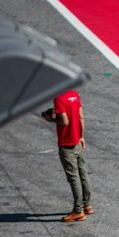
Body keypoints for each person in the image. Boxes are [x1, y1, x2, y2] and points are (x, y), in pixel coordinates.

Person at [41, 88, 92, 222]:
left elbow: (64, 121)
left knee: (73, 178)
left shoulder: (59, 99)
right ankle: (87, 204)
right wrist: (81, 137)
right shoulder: (74, 94)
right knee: (83, 174)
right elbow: (80, 117)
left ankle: (78, 210)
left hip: (66, 145)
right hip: (77, 141)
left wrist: (50, 119)